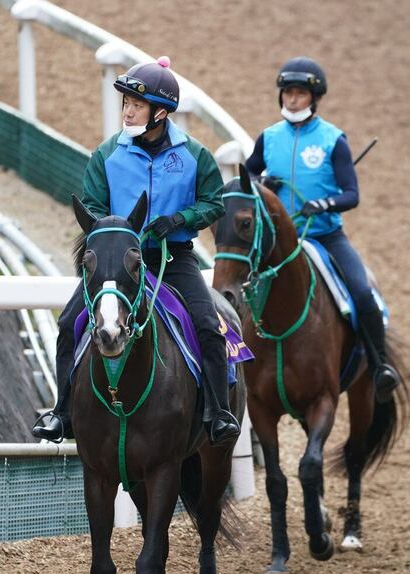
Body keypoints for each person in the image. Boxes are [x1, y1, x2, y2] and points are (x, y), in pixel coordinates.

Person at [33, 56, 240, 444]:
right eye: (125, 103)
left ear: (160, 112)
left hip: (172, 258)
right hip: (116, 260)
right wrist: (115, 230)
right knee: (69, 324)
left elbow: (214, 202)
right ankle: (62, 413)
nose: (127, 111)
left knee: (210, 326)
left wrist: (178, 220)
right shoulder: (106, 153)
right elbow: (92, 206)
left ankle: (217, 412)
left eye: (136, 105)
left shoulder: (195, 156)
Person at [245, 55, 400, 403]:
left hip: (326, 236)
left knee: (362, 292)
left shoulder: (333, 140)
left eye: (299, 94)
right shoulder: (268, 138)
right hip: (280, 241)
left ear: (314, 98)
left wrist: (324, 204)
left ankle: (379, 366)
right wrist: (262, 181)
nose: (292, 100)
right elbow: (248, 175)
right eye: (287, 93)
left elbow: (351, 194)